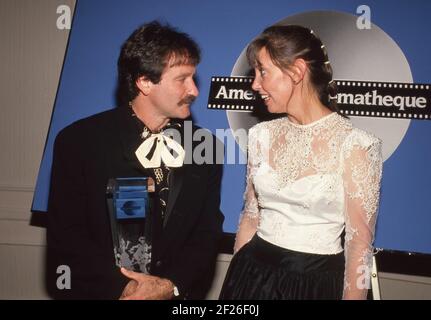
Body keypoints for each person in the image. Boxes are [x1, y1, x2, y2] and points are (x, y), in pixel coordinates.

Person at [47, 21, 224, 300]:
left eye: (193, 78)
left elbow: (207, 234)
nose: (194, 90)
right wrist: (127, 289)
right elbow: (67, 238)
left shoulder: (207, 146)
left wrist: (169, 286)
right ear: (144, 82)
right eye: (182, 79)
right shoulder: (78, 142)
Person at [219, 25, 383, 300]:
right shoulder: (261, 136)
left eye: (263, 71)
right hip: (251, 277)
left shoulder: (357, 146)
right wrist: (236, 281)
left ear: (296, 71)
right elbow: (250, 216)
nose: (255, 84)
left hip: (314, 286)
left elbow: (359, 247)